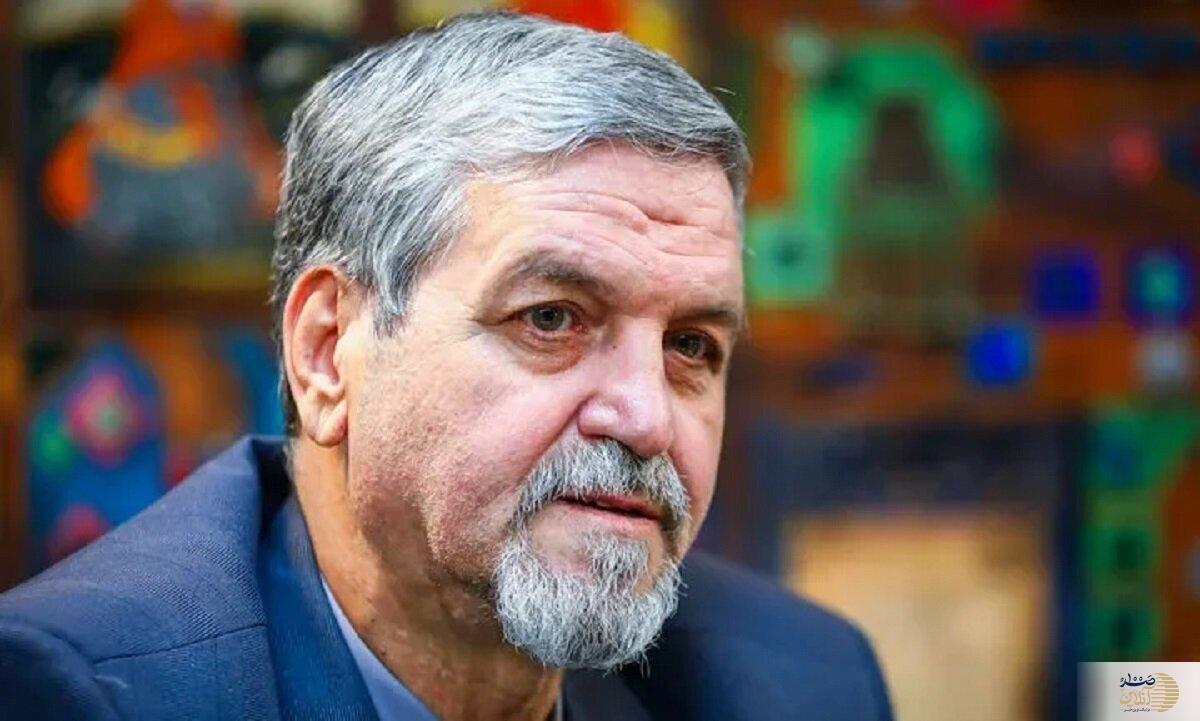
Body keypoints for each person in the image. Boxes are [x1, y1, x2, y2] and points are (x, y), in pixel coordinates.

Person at [0, 12, 892, 721]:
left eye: (690, 346)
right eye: (551, 318)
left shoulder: (801, 685)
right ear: (327, 351)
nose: (647, 417)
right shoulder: (83, 692)